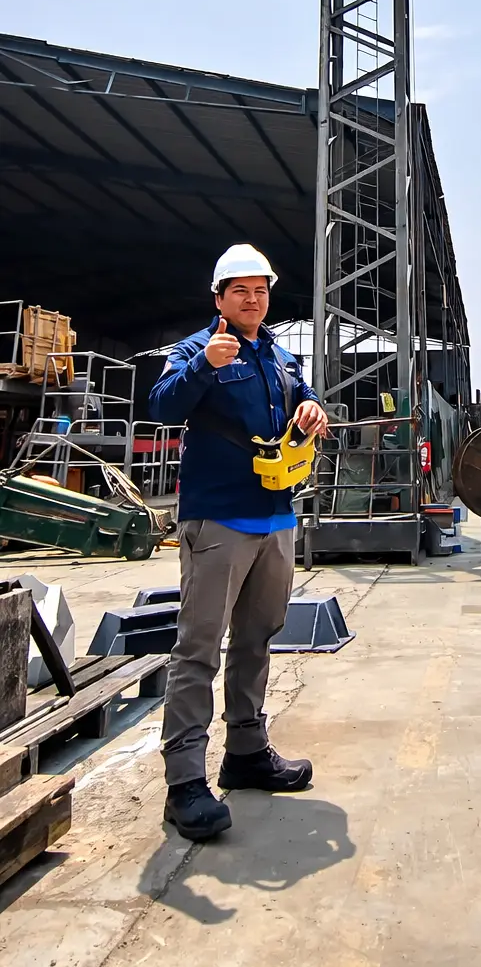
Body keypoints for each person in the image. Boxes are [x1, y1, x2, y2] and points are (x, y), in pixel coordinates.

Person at [150, 244, 330, 841]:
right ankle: (184, 784)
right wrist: (204, 364)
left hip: (275, 517)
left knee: (257, 639)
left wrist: (311, 409)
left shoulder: (281, 357)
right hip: (219, 518)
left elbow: (304, 402)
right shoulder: (193, 351)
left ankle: (247, 753)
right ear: (219, 297)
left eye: (261, 291)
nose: (253, 301)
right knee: (198, 649)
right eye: (240, 291)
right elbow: (162, 407)